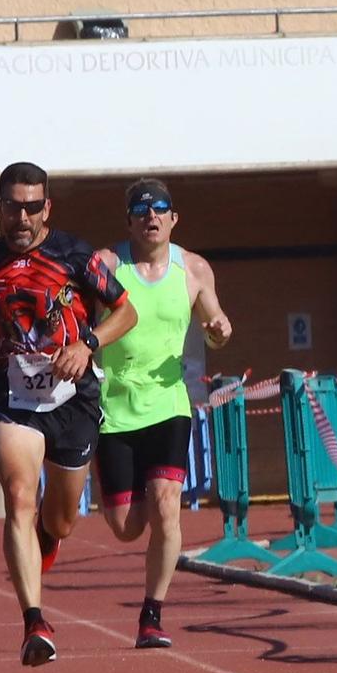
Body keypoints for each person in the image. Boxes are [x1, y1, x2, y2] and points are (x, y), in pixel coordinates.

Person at [0, 162, 137, 666]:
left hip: (74, 400)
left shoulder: (75, 255)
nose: (22, 217)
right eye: (12, 206)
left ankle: (46, 540)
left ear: (46, 207)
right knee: (19, 498)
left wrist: (88, 344)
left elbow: (126, 311)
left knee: (63, 519)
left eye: (32, 207)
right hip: (14, 401)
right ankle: (34, 621)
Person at [93, 179, 232, 648]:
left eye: (161, 209)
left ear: (174, 218)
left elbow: (217, 328)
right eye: (141, 210)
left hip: (170, 403)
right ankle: (110, 483)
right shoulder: (108, 265)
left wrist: (218, 331)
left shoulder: (193, 269)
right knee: (126, 527)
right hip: (115, 406)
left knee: (167, 506)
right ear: (129, 220)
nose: (151, 217)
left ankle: (152, 614)